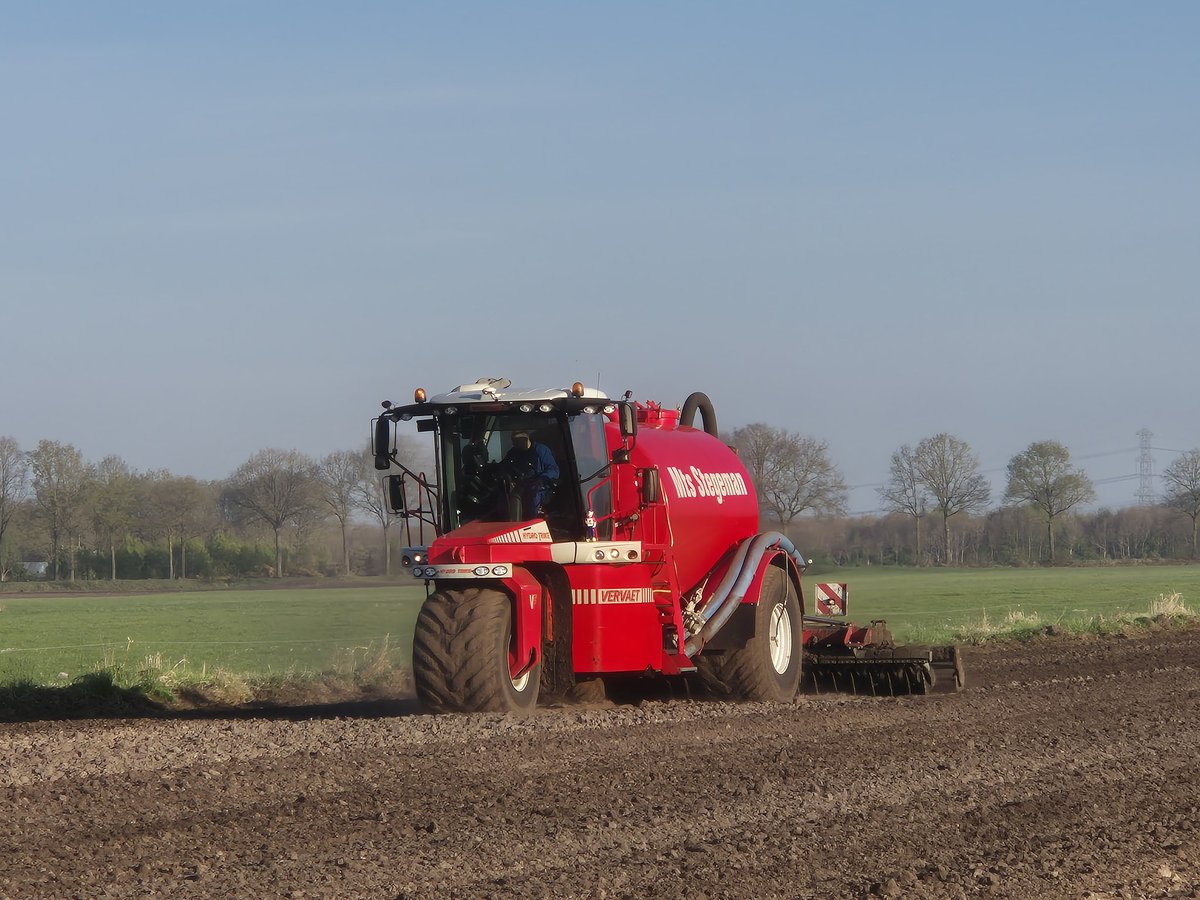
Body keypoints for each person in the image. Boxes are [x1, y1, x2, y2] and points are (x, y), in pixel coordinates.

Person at [503, 431, 559, 517]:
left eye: (517, 442)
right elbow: (504, 467)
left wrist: (541, 479)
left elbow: (554, 470)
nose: (514, 445)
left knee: (533, 494)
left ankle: (532, 520)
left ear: (525, 440)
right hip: (519, 485)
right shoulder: (513, 453)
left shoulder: (541, 451)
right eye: (513, 442)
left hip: (539, 487)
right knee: (503, 494)